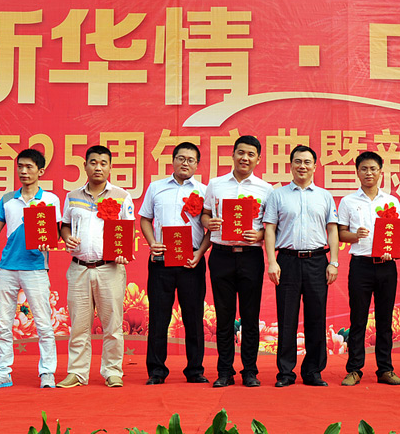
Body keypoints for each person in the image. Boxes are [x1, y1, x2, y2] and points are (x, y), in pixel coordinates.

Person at [0, 149, 62, 389]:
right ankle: (3, 373)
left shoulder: (50, 199)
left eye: (29, 167)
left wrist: (47, 242)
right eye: (20, 166)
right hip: (8, 268)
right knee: (3, 324)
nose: (23, 171)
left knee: (43, 323)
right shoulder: (7, 199)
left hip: (35, 268)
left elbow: (55, 234)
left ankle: (47, 372)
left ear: (40, 171)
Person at [57, 145, 134, 388]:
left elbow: (127, 229)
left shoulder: (122, 196)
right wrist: (67, 237)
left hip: (109, 268)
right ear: (85, 166)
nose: (98, 167)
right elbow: (65, 225)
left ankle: (112, 371)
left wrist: (123, 253)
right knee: (79, 324)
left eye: (103, 163)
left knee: (112, 324)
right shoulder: (72, 196)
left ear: (110, 167)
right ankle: (77, 372)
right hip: (79, 267)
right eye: (93, 162)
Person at [263, 145, 339, 387]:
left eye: (307, 162)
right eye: (298, 161)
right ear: (291, 165)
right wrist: (272, 261)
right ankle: (285, 373)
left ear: (315, 166)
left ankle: (313, 371)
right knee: (287, 318)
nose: (302, 166)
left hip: (317, 261)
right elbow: (270, 229)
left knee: (316, 317)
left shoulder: (324, 196)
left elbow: (332, 230)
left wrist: (333, 262)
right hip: (287, 261)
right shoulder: (277, 195)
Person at [201, 135, 273, 387]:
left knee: (250, 316)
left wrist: (260, 234)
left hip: (251, 256)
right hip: (221, 255)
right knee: (224, 316)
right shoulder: (216, 184)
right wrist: (209, 222)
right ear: (232, 155)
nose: (245, 158)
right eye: (241, 152)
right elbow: (205, 214)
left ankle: (250, 371)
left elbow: (271, 225)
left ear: (258, 159)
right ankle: (224, 371)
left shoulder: (266, 189)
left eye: (251, 154)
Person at [139, 142, 210, 385]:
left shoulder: (204, 191)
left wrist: (201, 252)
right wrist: (152, 243)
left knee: (194, 317)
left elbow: (210, 228)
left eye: (190, 160)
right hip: (161, 260)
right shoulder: (156, 187)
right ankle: (156, 371)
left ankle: (195, 370)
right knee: (159, 317)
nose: (185, 163)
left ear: (197, 164)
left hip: (191, 261)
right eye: (181, 158)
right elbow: (145, 218)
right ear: (173, 161)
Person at [337, 151, 400, 386]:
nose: (368, 173)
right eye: (364, 169)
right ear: (357, 172)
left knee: (385, 320)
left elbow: (396, 233)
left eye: (373, 169)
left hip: (387, 266)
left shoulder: (391, 201)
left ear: (380, 172)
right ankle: (354, 369)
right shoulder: (348, 201)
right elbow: (340, 233)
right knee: (358, 319)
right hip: (361, 266)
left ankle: (385, 369)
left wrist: (392, 248)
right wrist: (355, 235)